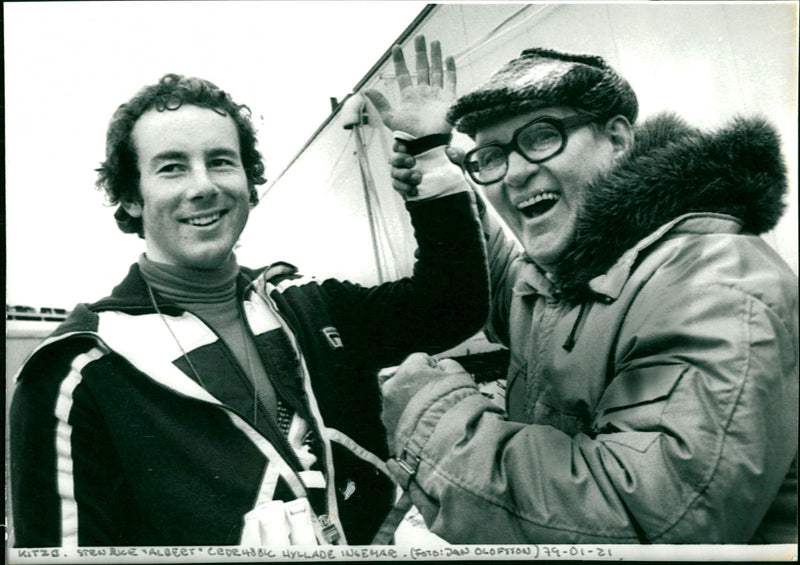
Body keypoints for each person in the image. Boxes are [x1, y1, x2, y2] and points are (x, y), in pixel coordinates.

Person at [9, 63, 488, 547]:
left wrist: (431, 158)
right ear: (132, 196)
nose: (203, 186)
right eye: (172, 167)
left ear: (248, 180)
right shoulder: (79, 366)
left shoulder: (304, 301)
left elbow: (451, 307)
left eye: (220, 161)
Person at [374, 43, 798, 543]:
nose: (513, 172)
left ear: (617, 137)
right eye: (489, 156)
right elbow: (495, 285)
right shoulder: (576, 278)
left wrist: (432, 418)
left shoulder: (714, 285)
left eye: (541, 137)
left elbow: (649, 524)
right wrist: (436, 166)